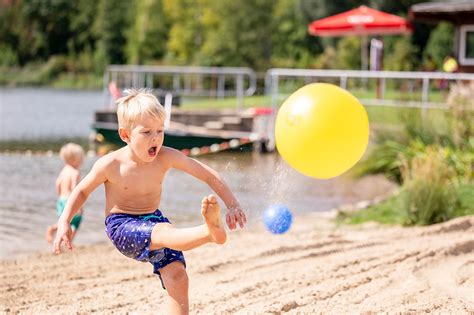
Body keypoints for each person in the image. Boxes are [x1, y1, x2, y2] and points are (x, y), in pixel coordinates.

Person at [53, 89, 247, 314]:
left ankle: (210, 233)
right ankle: (209, 233)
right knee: (164, 231)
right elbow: (82, 191)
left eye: (160, 131)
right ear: (125, 135)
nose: (155, 138)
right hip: (121, 225)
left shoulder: (166, 156)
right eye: (146, 132)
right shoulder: (110, 164)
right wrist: (64, 220)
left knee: (177, 275)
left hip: (153, 218)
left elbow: (207, 174)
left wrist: (232, 204)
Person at [46, 143, 85, 244]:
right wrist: (79, 205)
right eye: (81, 158)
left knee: (64, 221)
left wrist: (60, 197)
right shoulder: (75, 173)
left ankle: (53, 229)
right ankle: (68, 242)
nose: (82, 161)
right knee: (76, 221)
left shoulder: (63, 171)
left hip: (61, 200)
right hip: (70, 200)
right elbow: (75, 189)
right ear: (74, 160)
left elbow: (58, 185)